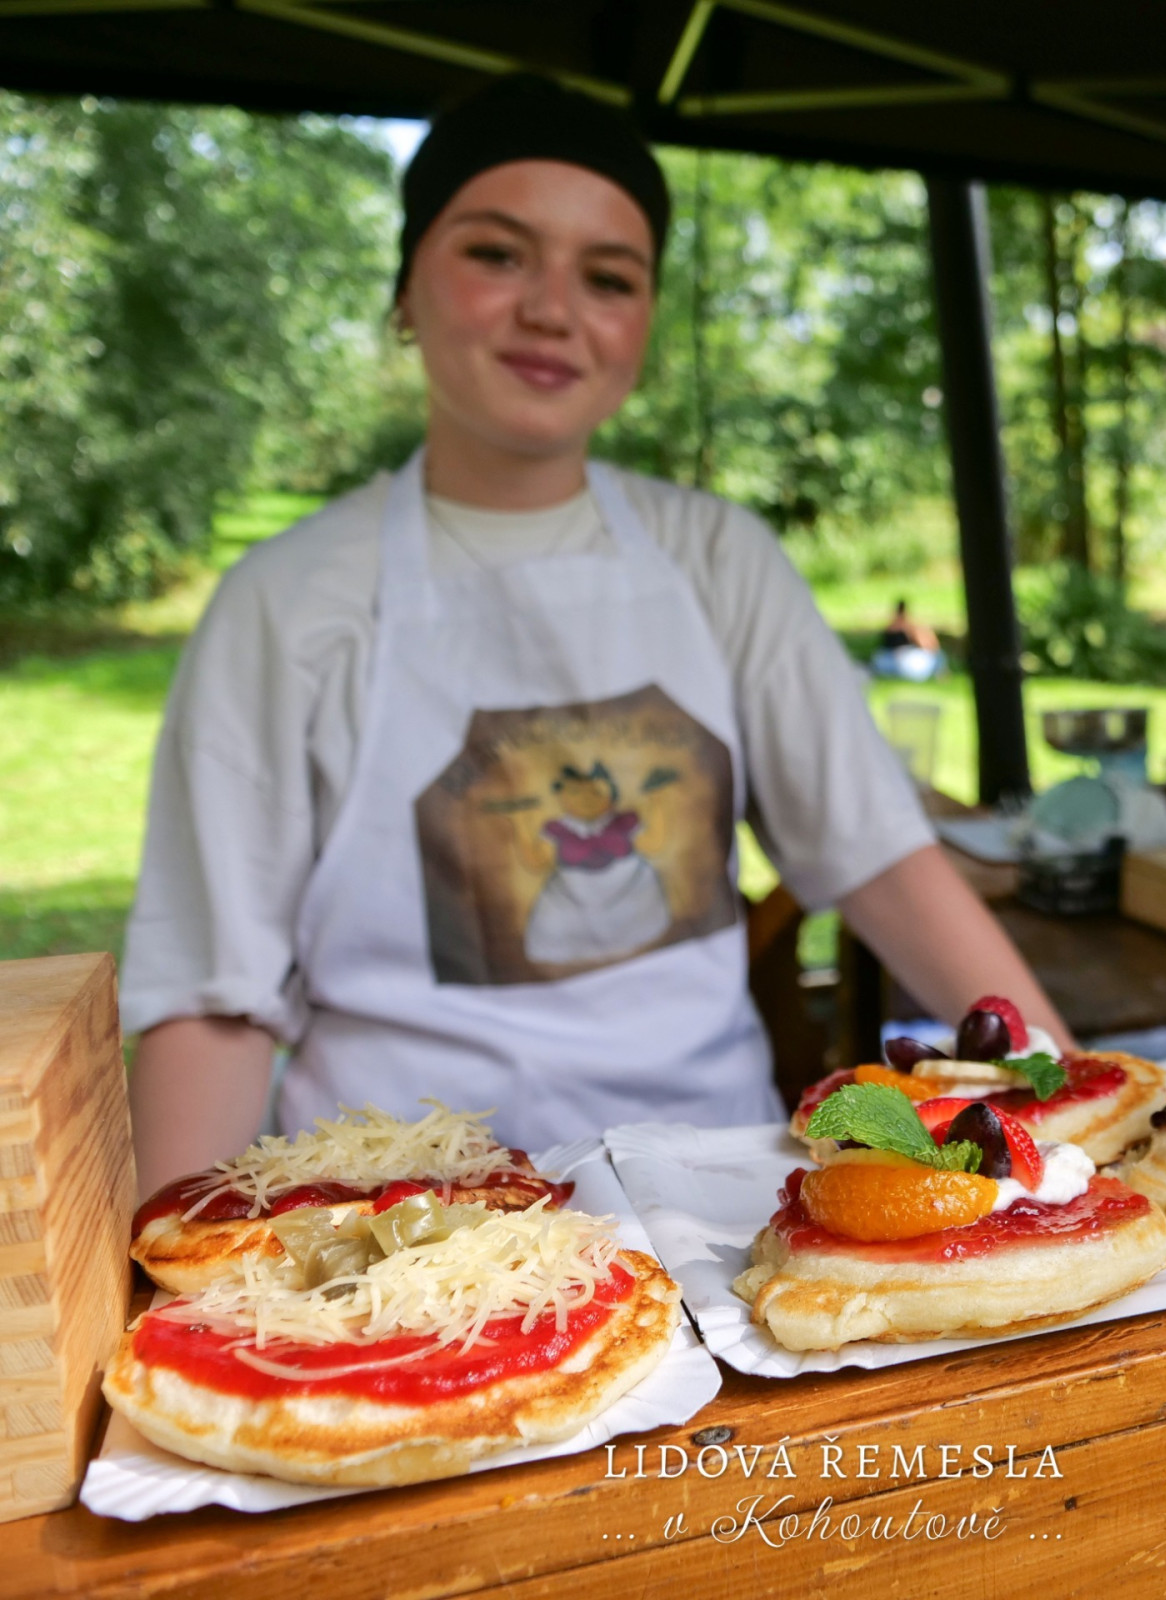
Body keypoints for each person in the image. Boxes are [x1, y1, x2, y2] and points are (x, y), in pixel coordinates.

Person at [122, 75, 1073, 1198]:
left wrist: (1070, 1117)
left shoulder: (717, 558)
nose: (552, 309)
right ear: (405, 288)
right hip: (388, 1217)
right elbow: (216, 1000)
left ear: (643, 325)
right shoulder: (285, 602)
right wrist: (162, 1263)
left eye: (609, 277)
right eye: (497, 253)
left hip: (716, 1202)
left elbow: (877, 857)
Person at [872, 598, 946, 682]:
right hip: (899, 659)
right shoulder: (905, 627)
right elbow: (929, 645)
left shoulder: (902, 626)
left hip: (904, 659)